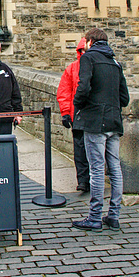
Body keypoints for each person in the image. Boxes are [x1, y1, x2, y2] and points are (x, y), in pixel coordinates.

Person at [72, 28, 130, 232]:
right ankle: (114, 215)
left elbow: (83, 87)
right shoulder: (115, 63)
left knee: (96, 168)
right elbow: (125, 98)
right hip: (114, 121)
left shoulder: (89, 58)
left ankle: (95, 216)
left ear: (90, 42)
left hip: (96, 121)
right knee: (114, 168)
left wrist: (79, 105)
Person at [57, 38, 90, 192]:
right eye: (82, 51)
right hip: (77, 114)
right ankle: (83, 180)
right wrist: (65, 112)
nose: (84, 53)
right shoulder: (72, 69)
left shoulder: (96, 66)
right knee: (80, 149)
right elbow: (64, 92)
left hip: (93, 114)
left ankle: (95, 179)